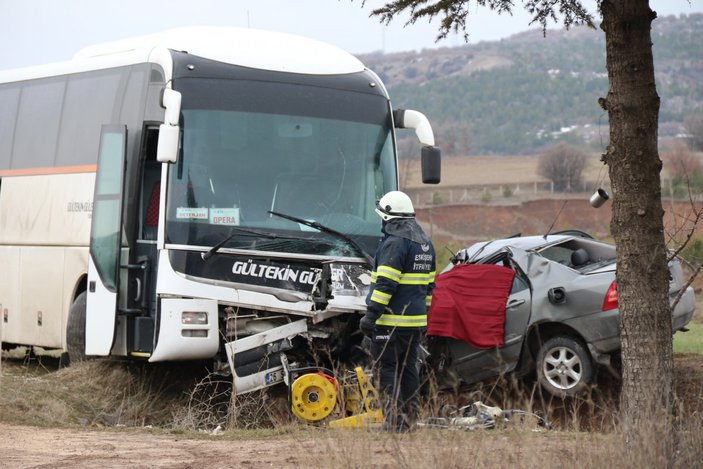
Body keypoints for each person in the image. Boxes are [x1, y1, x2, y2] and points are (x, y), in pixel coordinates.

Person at [359, 190, 436, 432]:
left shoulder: (394, 243)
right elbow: (429, 286)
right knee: (408, 370)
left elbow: (385, 284)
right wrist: (424, 318)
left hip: (390, 322)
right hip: (414, 323)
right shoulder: (425, 243)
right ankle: (409, 421)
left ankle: (394, 424)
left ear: (388, 217)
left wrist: (371, 316)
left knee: (388, 370)